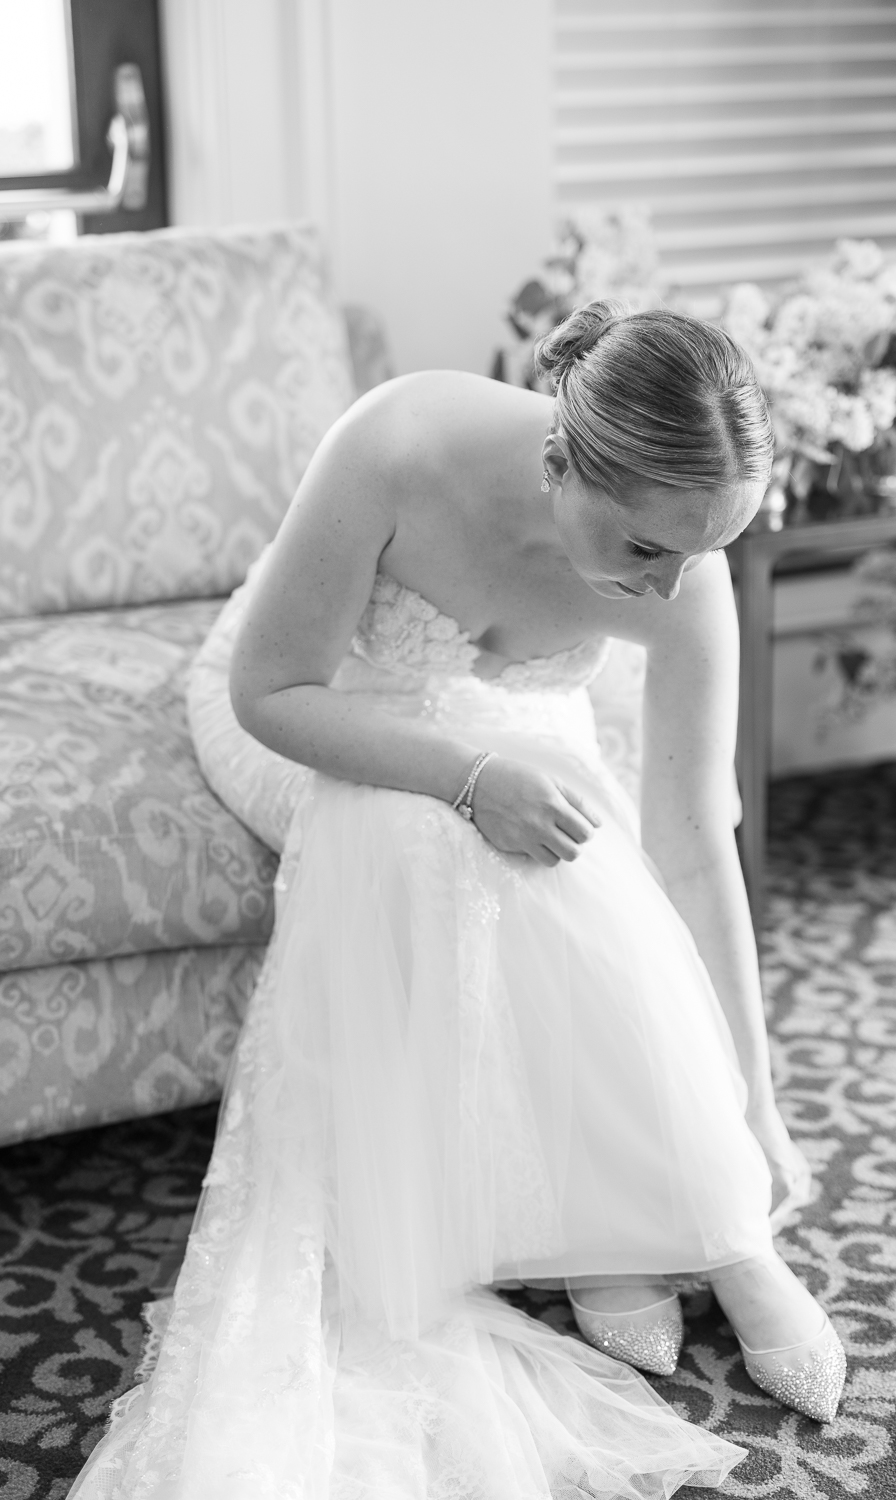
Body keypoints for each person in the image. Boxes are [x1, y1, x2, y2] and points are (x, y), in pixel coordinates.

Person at [70, 303, 845, 1499]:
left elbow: (697, 842)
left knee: (583, 850)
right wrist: (471, 779)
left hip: (504, 713)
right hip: (314, 704)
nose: (671, 588)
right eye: (646, 551)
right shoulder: (399, 444)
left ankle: (718, 1227)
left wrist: (757, 1094)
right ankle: (615, 1224)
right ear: (557, 463)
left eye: (705, 551)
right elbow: (272, 689)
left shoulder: (680, 575)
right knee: (418, 836)